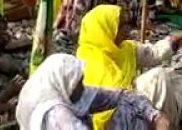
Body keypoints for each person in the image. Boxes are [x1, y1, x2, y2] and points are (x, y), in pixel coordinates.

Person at [76, 5, 182, 130]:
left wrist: (179, 37)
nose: (127, 29)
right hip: (116, 119)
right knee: (157, 77)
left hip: (136, 103)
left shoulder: (126, 48)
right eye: (121, 25)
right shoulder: (88, 60)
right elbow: (112, 100)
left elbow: (154, 54)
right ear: (106, 30)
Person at [16, 53, 169, 130]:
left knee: (129, 109)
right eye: (78, 83)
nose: (82, 86)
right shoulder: (57, 115)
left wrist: (155, 115)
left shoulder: (66, 91)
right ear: (65, 84)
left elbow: (121, 95)